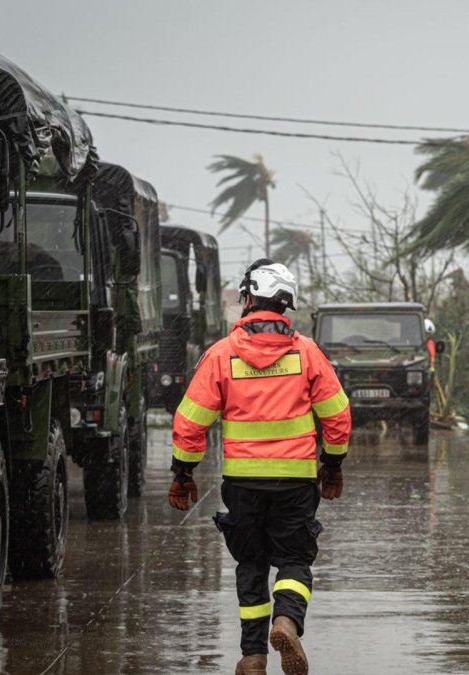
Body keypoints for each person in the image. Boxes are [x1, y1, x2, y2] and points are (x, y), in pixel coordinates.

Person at [167, 259, 351, 675]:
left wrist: (183, 472)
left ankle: (253, 656)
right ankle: (286, 620)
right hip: (296, 481)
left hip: (243, 483)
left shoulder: (221, 355)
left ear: (249, 297)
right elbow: (338, 415)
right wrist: (333, 463)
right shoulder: (307, 353)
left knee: (250, 565)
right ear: (286, 304)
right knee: (294, 559)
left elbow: (190, 421)